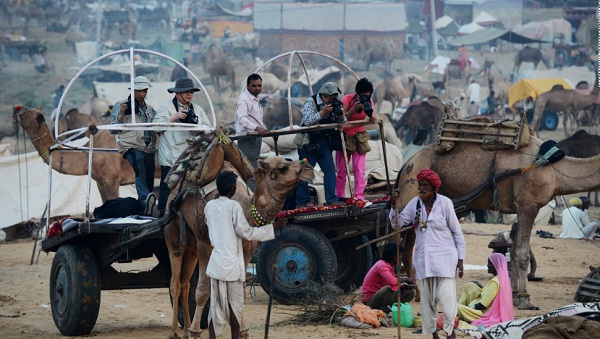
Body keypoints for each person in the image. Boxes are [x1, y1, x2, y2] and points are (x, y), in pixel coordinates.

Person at [204, 171, 286, 339]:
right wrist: (273, 227)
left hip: (216, 265)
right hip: (231, 266)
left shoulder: (209, 206)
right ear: (233, 189)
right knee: (235, 308)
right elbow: (246, 233)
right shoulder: (234, 206)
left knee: (215, 309)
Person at [389, 168, 466, 339]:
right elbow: (398, 224)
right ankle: (435, 336)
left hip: (446, 260)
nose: (421, 188)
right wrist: (393, 205)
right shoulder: (414, 204)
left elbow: (457, 232)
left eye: (425, 185)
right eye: (420, 184)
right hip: (424, 261)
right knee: (428, 302)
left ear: (434, 188)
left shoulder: (445, 203)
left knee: (447, 301)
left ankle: (450, 333)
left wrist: (460, 259)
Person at [153, 77, 211, 217]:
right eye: (185, 92)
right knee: (167, 188)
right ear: (177, 93)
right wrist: (173, 117)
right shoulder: (167, 108)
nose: (189, 94)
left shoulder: (197, 109)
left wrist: (200, 130)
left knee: (191, 189)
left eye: (191, 91)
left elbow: (209, 130)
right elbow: (155, 126)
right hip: (170, 158)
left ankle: (186, 216)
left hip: (190, 158)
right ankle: (162, 217)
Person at [110, 76, 157, 216]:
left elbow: (156, 126)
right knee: (140, 167)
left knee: (149, 175)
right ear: (133, 90)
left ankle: (145, 210)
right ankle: (144, 199)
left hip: (148, 146)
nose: (141, 94)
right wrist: (121, 114)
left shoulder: (150, 109)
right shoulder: (120, 105)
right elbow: (112, 129)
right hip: (130, 144)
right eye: (138, 91)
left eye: (144, 91)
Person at [296, 82, 346, 206]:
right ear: (322, 95)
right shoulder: (310, 102)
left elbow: (343, 121)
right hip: (308, 144)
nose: (331, 101)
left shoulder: (334, 104)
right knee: (304, 173)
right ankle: (302, 202)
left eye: (334, 98)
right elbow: (307, 121)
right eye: (329, 98)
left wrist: (341, 115)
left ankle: (331, 199)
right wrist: (323, 112)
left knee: (329, 170)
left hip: (324, 143)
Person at [335, 78, 377, 202]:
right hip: (346, 137)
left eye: (367, 96)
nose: (364, 98)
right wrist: (354, 108)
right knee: (342, 170)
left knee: (359, 169)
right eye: (362, 95)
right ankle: (340, 196)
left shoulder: (369, 102)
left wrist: (367, 109)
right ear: (357, 93)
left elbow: (374, 120)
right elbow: (342, 118)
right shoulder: (348, 99)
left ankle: (359, 196)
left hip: (359, 137)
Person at [457, 253, 514, 326]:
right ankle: (457, 309)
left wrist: (467, 308)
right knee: (470, 286)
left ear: (496, 265)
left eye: (490, 263)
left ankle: (456, 310)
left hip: (484, 313)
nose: (487, 265)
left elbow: (482, 305)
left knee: (456, 307)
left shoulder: (495, 282)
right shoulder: (500, 279)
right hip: (482, 307)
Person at [235, 73, 268, 190]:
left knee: (253, 168)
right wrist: (257, 128)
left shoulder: (255, 98)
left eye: (259, 85)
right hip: (247, 138)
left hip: (255, 137)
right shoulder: (244, 99)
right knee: (251, 171)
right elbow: (242, 119)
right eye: (254, 86)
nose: (257, 88)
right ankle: (252, 201)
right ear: (248, 86)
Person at [361, 243, 416, 311]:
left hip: (379, 295)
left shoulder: (390, 266)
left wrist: (402, 286)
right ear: (394, 257)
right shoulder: (381, 265)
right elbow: (392, 282)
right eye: (399, 256)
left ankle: (392, 307)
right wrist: (404, 280)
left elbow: (391, 282)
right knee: (391, 288)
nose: (400, 258)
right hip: (370, 300)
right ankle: (384, 310)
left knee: (410, 292)